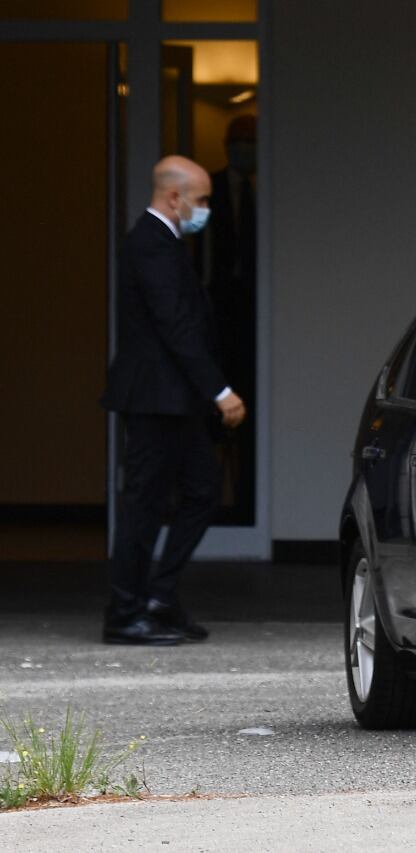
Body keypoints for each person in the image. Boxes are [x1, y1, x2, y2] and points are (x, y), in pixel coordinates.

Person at [100, 155, 246, 645]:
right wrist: (219, 391)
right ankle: (124, 613)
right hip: (156, 399)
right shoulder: (150, 243)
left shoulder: (165, 242)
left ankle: (159, 596)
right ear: (174, 197)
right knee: (143, 506)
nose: (206, 210)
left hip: (174, 400)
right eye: (202, 200)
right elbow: (175, 325)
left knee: (202, 491)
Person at [199, 115, 258, 524]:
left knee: (251, 417)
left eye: (250, 142)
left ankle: (247, 504)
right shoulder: (212, 190)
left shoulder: (267, 189)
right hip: (218, 317)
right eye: (238, 142)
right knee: (215, 415)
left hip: (255, 321)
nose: (244, 150)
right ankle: (208, 503)